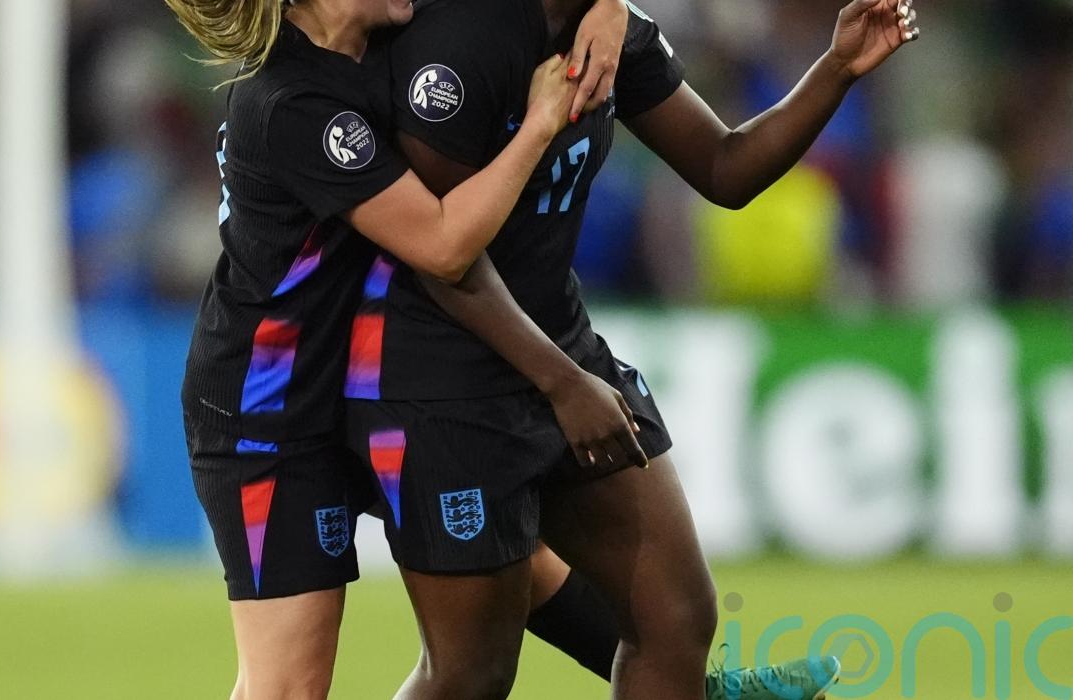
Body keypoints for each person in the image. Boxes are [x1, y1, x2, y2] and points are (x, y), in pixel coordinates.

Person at [344, 0, 921, 698]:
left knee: (674, 616)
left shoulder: (614, 30)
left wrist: (836, 68)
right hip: (441, 373)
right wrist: (562, 383)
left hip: (558, 348)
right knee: (470, 673)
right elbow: (438, 254)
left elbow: (724, 166)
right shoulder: (462, 38)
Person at [161, 0, 610, 696]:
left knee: (519, 570)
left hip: (366, 384)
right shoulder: (294, 103)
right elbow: (443, 244)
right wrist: (539, 125)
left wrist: (610, 7)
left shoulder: (381, 48)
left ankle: (698, 683)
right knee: (286, 687)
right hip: (271, 417)